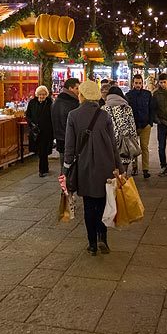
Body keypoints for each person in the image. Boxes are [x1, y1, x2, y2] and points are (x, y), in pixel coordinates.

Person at [64, 80, 119, 256]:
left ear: (82, 95)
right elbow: (113, 143)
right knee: (103, 203)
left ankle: (92, 244)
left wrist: (66, 169)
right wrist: (119, 167)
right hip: (105, 165)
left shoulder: (73, 115)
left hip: (84, 167)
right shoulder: (104, 116)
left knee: (89, 205)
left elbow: (70, 147)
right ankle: (103, 237)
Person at [102, 85, 140, 173]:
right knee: (123, 170)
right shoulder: (127, 108)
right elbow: (132, 127)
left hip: (109, 142)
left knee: (112, 170)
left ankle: (113, 185)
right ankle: (123, 183)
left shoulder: (103, 109)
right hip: (124, 143)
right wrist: (134, 141)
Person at [125, 74, 156, 179]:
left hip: (145, 125)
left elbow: (152, 109)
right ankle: (134, 167)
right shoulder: (128, 95)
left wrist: (150, 122)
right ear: (133, 83)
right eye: (136, 83)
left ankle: (145, 169)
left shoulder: (147, 94)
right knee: (134, 148)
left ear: (142, 83)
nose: (138, 85)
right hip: (133, 125)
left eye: (140, 83)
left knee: (144, 147)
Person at [26, 86, 54, 177]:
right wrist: (31, 124)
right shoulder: (32, 103)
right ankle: (44, 168)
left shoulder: (50, 103)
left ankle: (42, 170)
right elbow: (28, 115)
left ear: (46, 95)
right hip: (36, 132)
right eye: (40, 94)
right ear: (37, 95)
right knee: (40, 151)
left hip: (46, 131)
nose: (42, 96)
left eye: (44, 94)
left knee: (43, 151)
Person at [52, 77, 81, 165]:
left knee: (64, 165)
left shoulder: (57, 101)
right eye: (77, 88)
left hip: (60, 138)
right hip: (69, 139)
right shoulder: (71, 103)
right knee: (69, 166)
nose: (78, 91)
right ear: (70, 89)